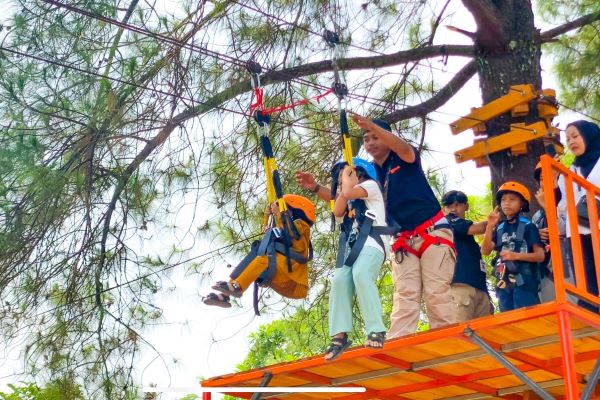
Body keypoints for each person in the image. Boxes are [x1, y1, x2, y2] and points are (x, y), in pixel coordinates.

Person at [297, 115, 456, 339]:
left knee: (436, 292)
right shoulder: (369, 174)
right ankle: (398, 345)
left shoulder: (404, 158)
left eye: (375, 137)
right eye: (366, 139)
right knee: (405, 295)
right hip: (403, 239)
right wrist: (315, 187)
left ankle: (446, 342)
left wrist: (373, 126)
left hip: (432, 232)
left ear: (386, 137)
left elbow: (402, 147)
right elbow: (347, 198)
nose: (370, 142)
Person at [203, 194, 315, 309]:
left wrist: (278, 213)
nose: (282, 213)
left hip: (292, 279)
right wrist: (268, 215)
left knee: (263, 259)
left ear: (296, 211)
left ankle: (238, 287)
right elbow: (269, 230)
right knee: (256, 253)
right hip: (281, 273)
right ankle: (225, 294)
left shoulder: (302, 225)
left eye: (286, 210)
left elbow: (291, 231)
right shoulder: (284, 224)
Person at [325, 157, 388, 361]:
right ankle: (340, 335)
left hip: (372, 243)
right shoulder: (350, 198)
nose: (341, 181)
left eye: (344, 176)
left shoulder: (370, 187)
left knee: (361, 274)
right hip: (352, 247)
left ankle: (376, 329)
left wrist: (347, 174)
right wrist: (342, 182)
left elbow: (350, 191)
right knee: (339, 281)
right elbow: (337, 210)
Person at [481, 182, 545, 312]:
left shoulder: (527, 226)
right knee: (508, 322)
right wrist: (489, 226)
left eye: (512, 199)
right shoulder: (499, 228)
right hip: (503, 283)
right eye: (503, 200)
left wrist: (515, 255)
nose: (506, 203)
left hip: (524, 283)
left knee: (525, 320)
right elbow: (485, 250)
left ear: (522, 203)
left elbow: (540, 255)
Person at [558, 120, 600, 313]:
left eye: (575, 136)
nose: (571, 141)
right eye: (567, 139)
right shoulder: (566, 173)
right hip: (577, 234)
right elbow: (562, 206)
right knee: (587, 289)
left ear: (589, 136)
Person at [441, 190, 493, 321]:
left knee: (485, 337)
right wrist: (499, 218)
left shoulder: (466, 235)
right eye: (448, 206)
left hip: (480, 288)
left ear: (466, 206)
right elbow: (480, 228)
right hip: (459, 287)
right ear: (443, 209)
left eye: (458, 204)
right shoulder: (447, 222)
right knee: (459, 335)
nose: (453, 209)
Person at [532, 160, 572, 303]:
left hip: (570, 266)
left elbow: (564, 228)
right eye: (542, 179)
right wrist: (537, 234)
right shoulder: (537, 216)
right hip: (546, 272)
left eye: (552, 176)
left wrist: (549, 207)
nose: (546, 182)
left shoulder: (571, 203)